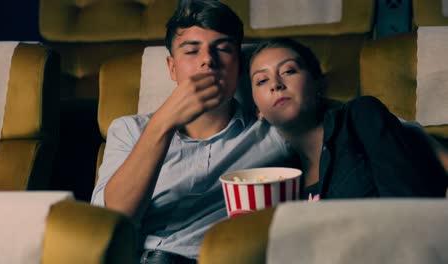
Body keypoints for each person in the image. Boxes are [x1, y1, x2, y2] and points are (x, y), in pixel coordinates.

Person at [91, 1, 292, 262]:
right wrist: (164, 123)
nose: (208, 60)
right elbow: (113, 220)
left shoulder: (274, 132)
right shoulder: (130, 130)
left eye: (222, 48)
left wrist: (279, 103)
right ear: (172, 68)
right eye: (191, 51)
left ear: (239, 66)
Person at [249, 37, 448, 199]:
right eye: (262, 80)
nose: (275, 84)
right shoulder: (270, 172)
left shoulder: (360, 116)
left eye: (288, 71)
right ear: (258, 110)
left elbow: (408, 205)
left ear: (319, 84)